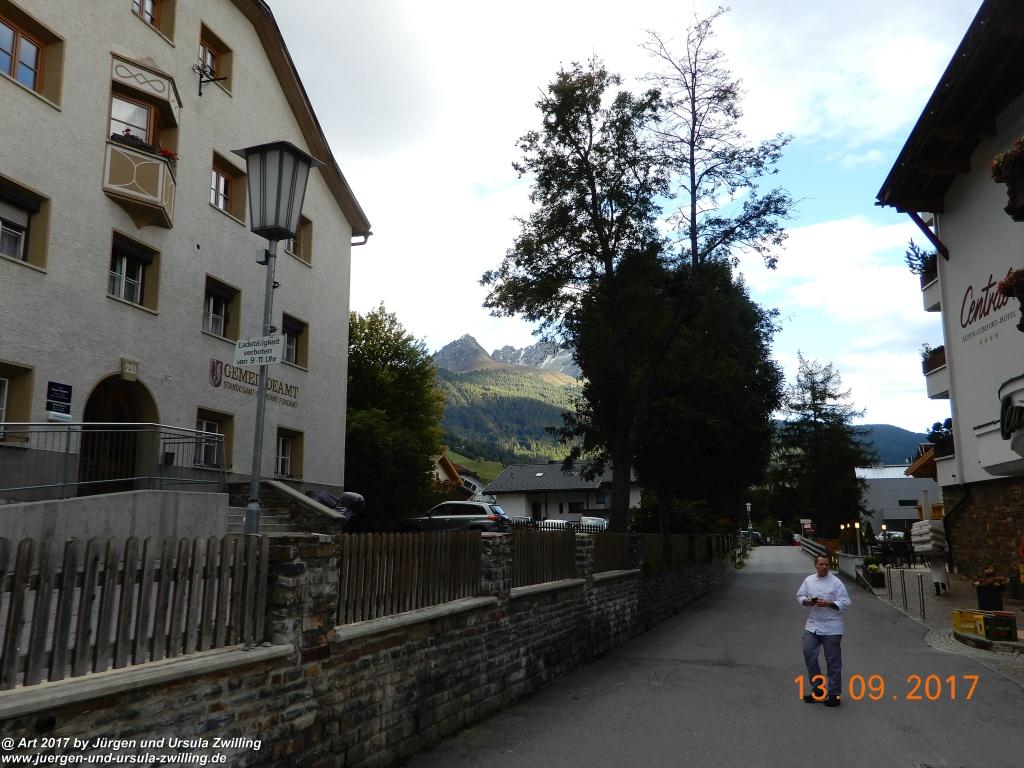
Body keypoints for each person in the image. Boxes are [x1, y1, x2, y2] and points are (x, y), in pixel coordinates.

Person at [796, 554, 851, 707]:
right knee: (809, 656)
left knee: (833, 662)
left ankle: (834, 694)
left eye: (826, 564)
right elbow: (800, 596)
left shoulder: (836, 582)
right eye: (821, 564)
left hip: (832, 626)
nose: (824, 567)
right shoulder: (809, 580)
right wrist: (807, 602)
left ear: (830, 566)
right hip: (813, 625)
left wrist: (828, 603)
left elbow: (846, 603)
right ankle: (818, 690)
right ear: (816, 565)